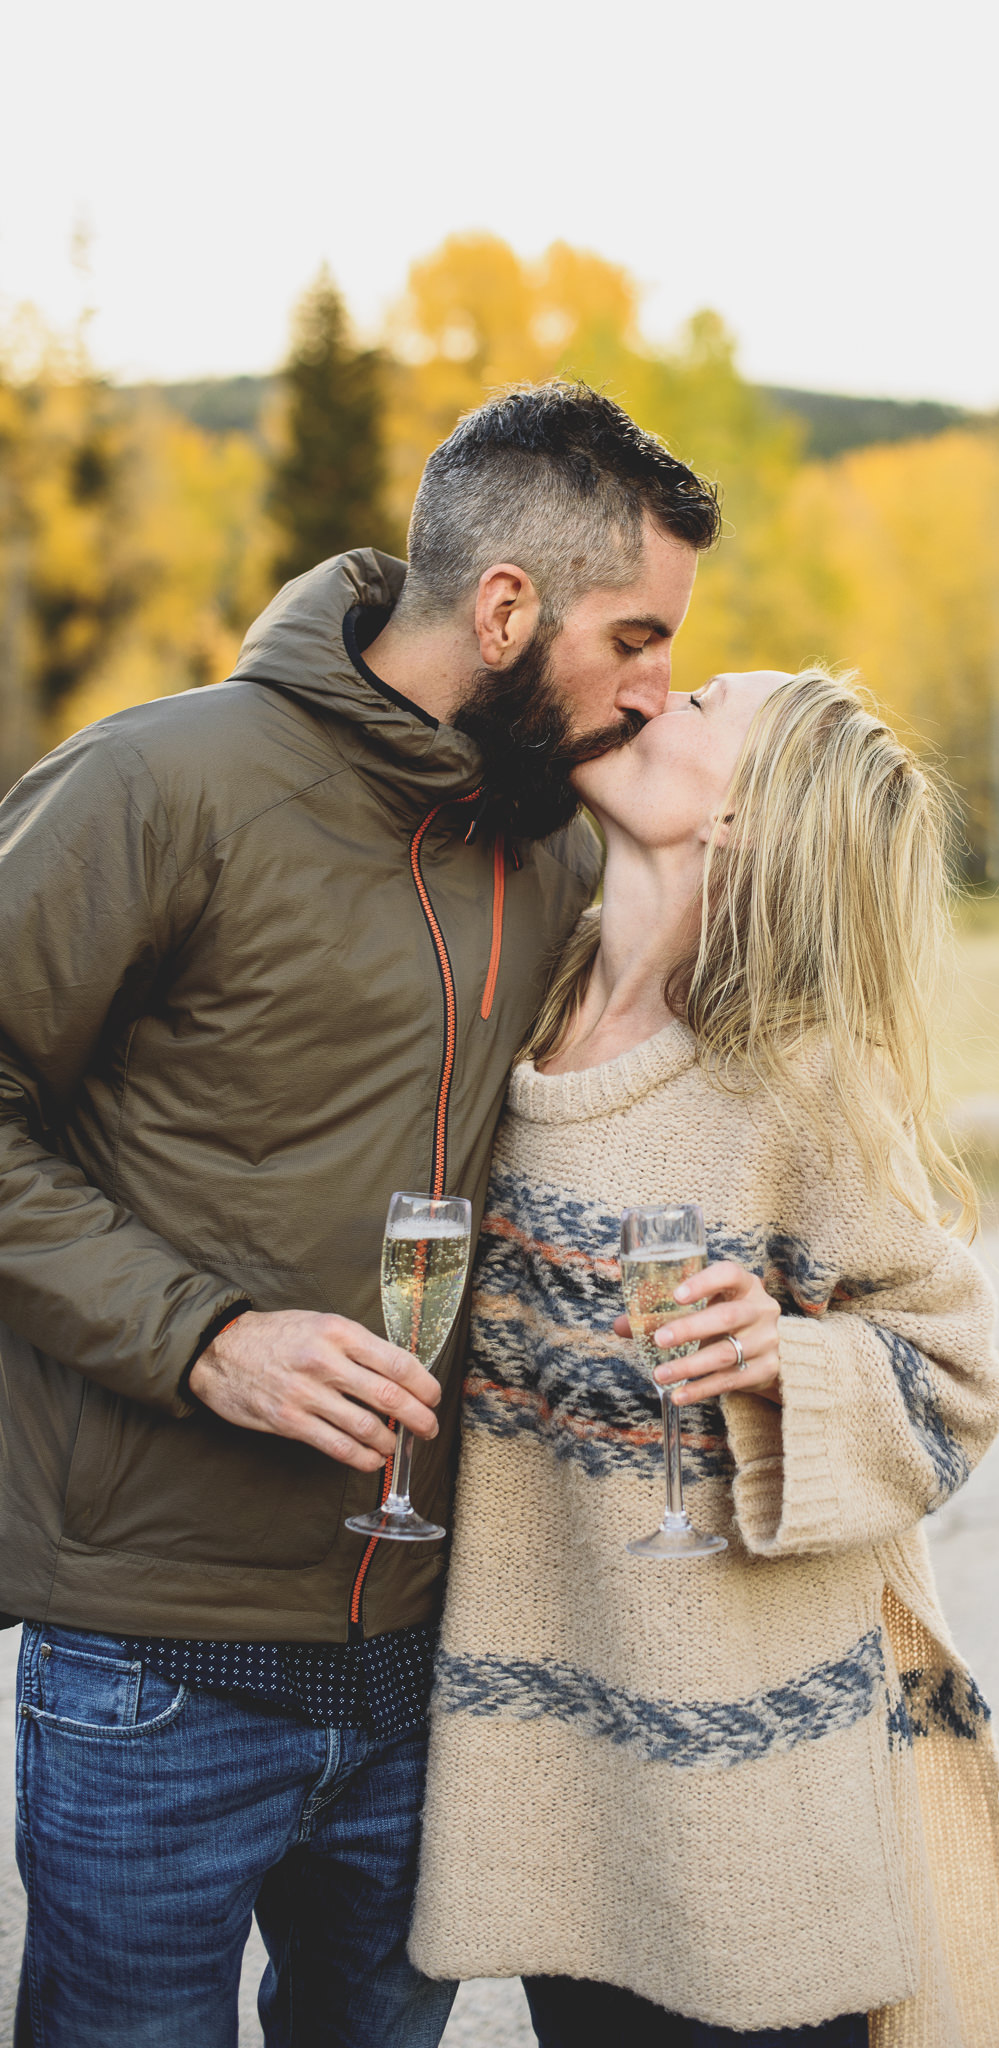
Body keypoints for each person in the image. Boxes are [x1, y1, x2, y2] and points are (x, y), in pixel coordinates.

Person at [0, 381, 720, 2047]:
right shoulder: (158, 782)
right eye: (634, 634)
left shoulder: (546, 855)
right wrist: (208, 1345)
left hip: (433, 1658)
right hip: (155, 1663)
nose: (654, 684)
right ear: (505, 605)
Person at [409, 667, 999, 2047]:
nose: (652, 704)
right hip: (556, 1764)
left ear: (748, 817)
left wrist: (791, 1364)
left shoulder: (799, 1072)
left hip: (750, 1790)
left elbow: (958, 1381)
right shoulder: (532, 986)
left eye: (699, 703)